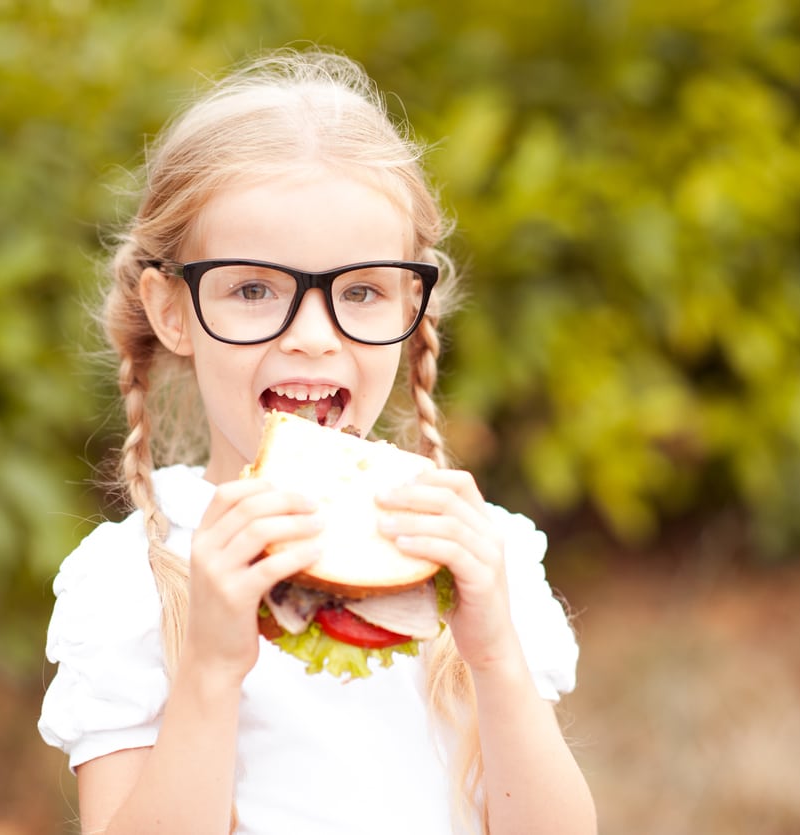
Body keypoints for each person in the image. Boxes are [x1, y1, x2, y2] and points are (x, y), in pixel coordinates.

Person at [37, 48, 596, 835]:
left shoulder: (481, 551)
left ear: (413, 303)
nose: (312, 336)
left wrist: (496, 654)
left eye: (361, 290)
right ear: (172, 311)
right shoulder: (135, 577)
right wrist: (209, 670)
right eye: (254, 288)